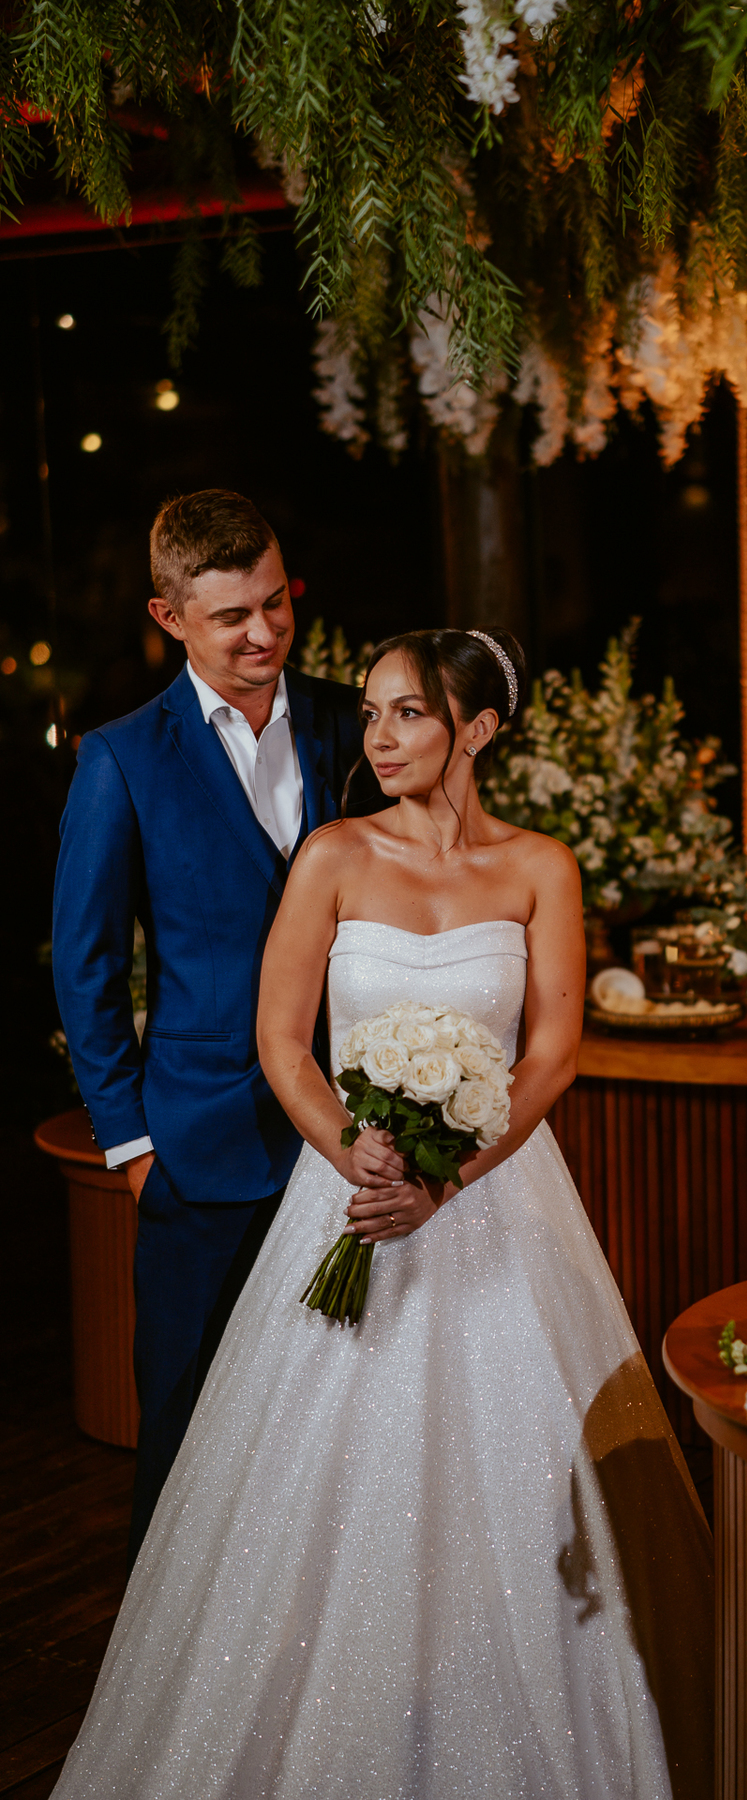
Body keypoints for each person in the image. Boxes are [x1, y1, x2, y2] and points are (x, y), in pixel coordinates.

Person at [52, 627, 714, 1800]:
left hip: (499, 1199)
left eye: (408, 714)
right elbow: (279, 1038)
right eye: (369, 714)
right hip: (348, 1191)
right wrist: (354, 1152)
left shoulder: (538, 868)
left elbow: (555, 1049)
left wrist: (448, 1178)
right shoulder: (332, 857)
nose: (380, 738)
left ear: (479, 730)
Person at [52, 490, 364, 1561]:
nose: (264, 633)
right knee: (189, 1431)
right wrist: (134, 1148)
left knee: (339, 1420)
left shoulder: (350, 721)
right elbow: (88, 970)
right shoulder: (122, 759)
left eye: (276, 604)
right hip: (198, 1149)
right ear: (169, 615)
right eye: (232, 616)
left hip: (352, 1141)